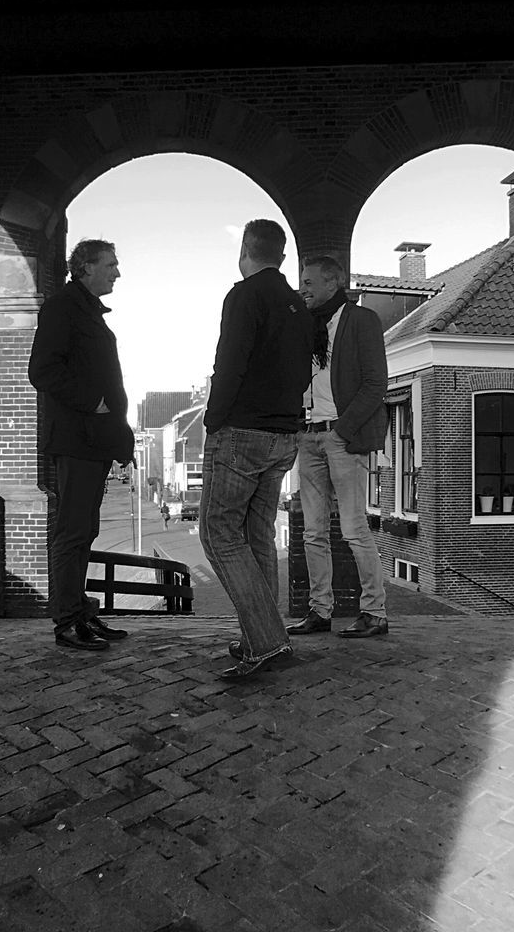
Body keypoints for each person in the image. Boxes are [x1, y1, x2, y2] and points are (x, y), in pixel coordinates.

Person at [199, 219, 313, 681]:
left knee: (218, 534)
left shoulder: (244, 296)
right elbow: (303, 373)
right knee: (256, 536)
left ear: (246, 249)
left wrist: (213, 420)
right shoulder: (299, 307)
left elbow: (229, 364)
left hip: (241, 433)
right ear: (282, 255)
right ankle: (260, 636)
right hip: (284, 436)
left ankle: (266, 640)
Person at [28, 239, 136, 651]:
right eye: (110, 264)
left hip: (94, 441)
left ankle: (81, 612)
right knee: (72, 532)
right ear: (85, 266)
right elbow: (42, 370)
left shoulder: (86, 309)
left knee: (85, 530)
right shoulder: (62, 308)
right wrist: (95, 402)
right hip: (76, 439)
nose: (117, 272)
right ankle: (67, 621)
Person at [290, 256, 389, 640]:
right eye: (302, 282)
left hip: (341, 439)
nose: (304, 289)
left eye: (310, 282)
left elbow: (375, 384)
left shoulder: (362, 321)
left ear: (334, 282)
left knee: (352, 528)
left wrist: (342, 432)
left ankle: (374, 612)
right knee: (312, 532)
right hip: (308, 437)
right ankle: (319, 611)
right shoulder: (305, 327)